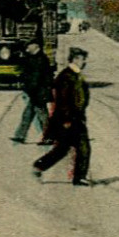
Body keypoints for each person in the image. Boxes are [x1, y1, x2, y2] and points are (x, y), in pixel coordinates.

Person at [33, 48, 92, 186]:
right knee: (81, 147)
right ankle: (79, 177)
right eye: (83, 59)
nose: (84, 62)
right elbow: (63, 100)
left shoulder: (74, 75)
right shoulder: (67, 76)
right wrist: (66, 119)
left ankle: (39, 167)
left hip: (74, 118)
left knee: (64, 149)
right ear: (76, 59)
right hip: (68, 119)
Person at [11, 41, 53, 144]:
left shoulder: (40, 59)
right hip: (36, 92)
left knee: (42, 116)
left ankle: (49, 137)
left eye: (29, 45)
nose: (27, 48)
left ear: (35, 46)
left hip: (39, 92)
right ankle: (20, 135)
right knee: (27, 114)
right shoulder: (34, 57)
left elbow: (36, 77)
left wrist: (30, 88)